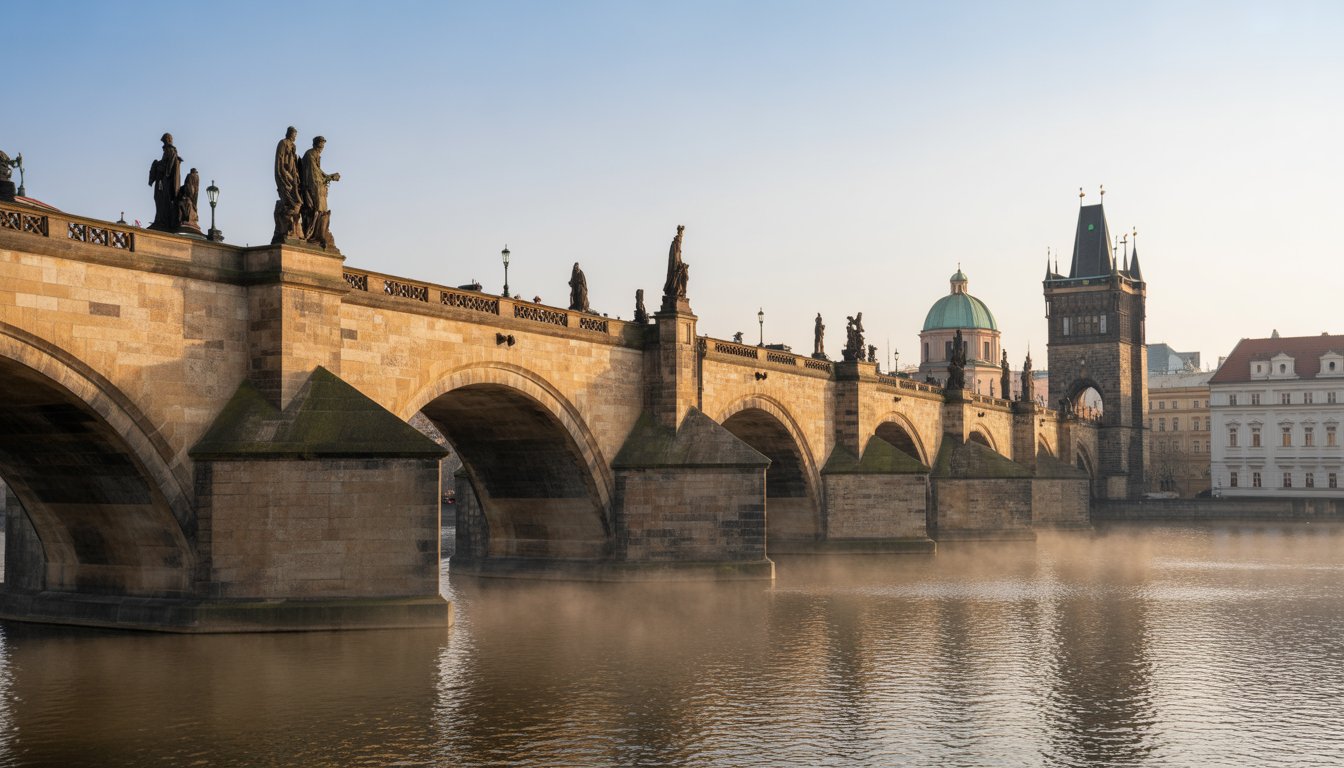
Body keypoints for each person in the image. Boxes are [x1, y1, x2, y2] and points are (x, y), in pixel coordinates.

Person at [300, 135, 340, 248]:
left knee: (323, 211)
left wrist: (328, 176)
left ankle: (320, 235)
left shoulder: (315, 154)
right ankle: (314, 236)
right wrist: (330, 178)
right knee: (317, 210)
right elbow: (314, 175)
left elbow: (318, 171)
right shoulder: (310, 154)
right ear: (316, 144)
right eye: (321, 144)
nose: (322, 147)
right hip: (311, 186)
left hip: (317, 185)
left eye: (323, 144)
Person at [272, 126, 303, 243]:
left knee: (297, 201)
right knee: (289, 201)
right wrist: (283, 175)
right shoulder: (283, 143)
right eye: (293, 135)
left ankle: (294, 229)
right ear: (289, 134)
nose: (294, 137)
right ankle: (287, 228)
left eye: (295, 135)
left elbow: (294, 162)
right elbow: (280, 161)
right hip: (285, 176)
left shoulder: (293, 146)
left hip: (293, 177)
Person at [147, 133, 181, 231]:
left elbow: (168, 166)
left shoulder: (170, 150)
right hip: (162, 179)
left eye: (165, 140)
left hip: (164, 180)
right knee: (158, 198)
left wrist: (159, 167)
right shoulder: (167, 150)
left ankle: (162, 220)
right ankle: (160, 219)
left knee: (161, 199)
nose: (165, 142)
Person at [176, 167, 201, 232]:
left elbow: (187, 183)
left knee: (189, 203)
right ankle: (188, 218)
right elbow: (196, 186)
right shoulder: (196, 176)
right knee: (190, 203)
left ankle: (187, 218)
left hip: (190, 192)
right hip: (192, 192)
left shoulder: (189, 176)